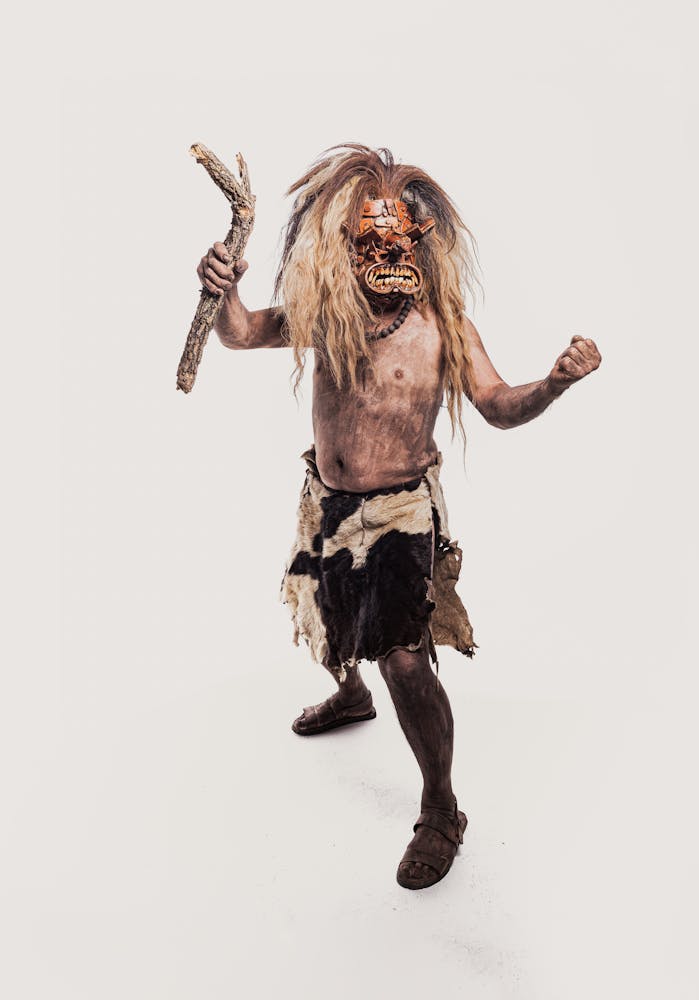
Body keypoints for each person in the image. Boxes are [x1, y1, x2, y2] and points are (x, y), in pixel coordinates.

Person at [197, 144, 601, 889]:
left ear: (420, 243)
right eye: (366, 241)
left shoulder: (445, 329)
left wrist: (553, 383)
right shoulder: (330, 314)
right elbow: (246, 331)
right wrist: (221, 294)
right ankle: (350, 696)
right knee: (326, 609)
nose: (382, 253)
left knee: (405, 658)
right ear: (347, 247)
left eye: (395, 239)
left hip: (400, 516)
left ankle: (442, 808)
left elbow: (499, 407)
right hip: (327, 501)